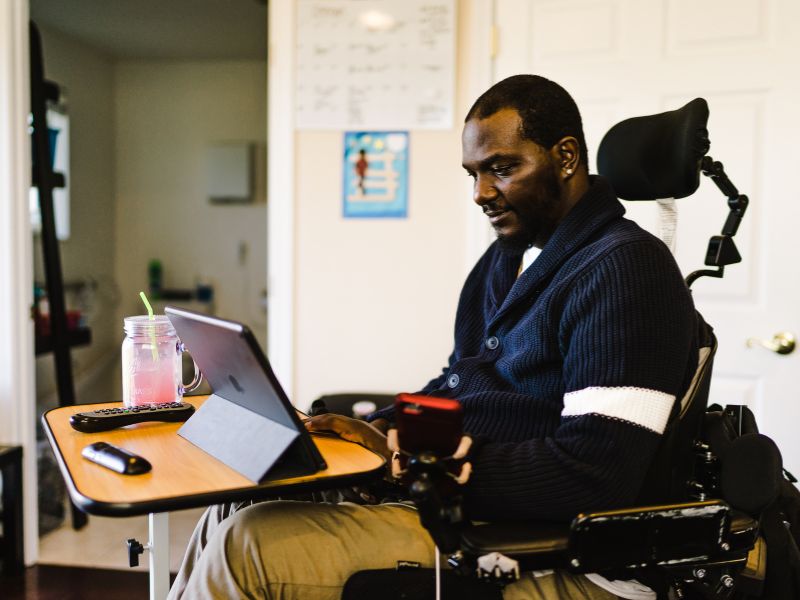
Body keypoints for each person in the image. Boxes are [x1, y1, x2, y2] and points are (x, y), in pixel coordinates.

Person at [169, 75, 698, 600]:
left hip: (554, 550)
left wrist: (405, 467)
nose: (481, 194)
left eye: (503, 169)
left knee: (251, 542)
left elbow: (598, 469)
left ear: (565, 157)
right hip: (467, 505)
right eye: (473, 174)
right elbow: (460, 385)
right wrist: (371, 430)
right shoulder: (507, 259)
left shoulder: (627, 268)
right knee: (233, 505)